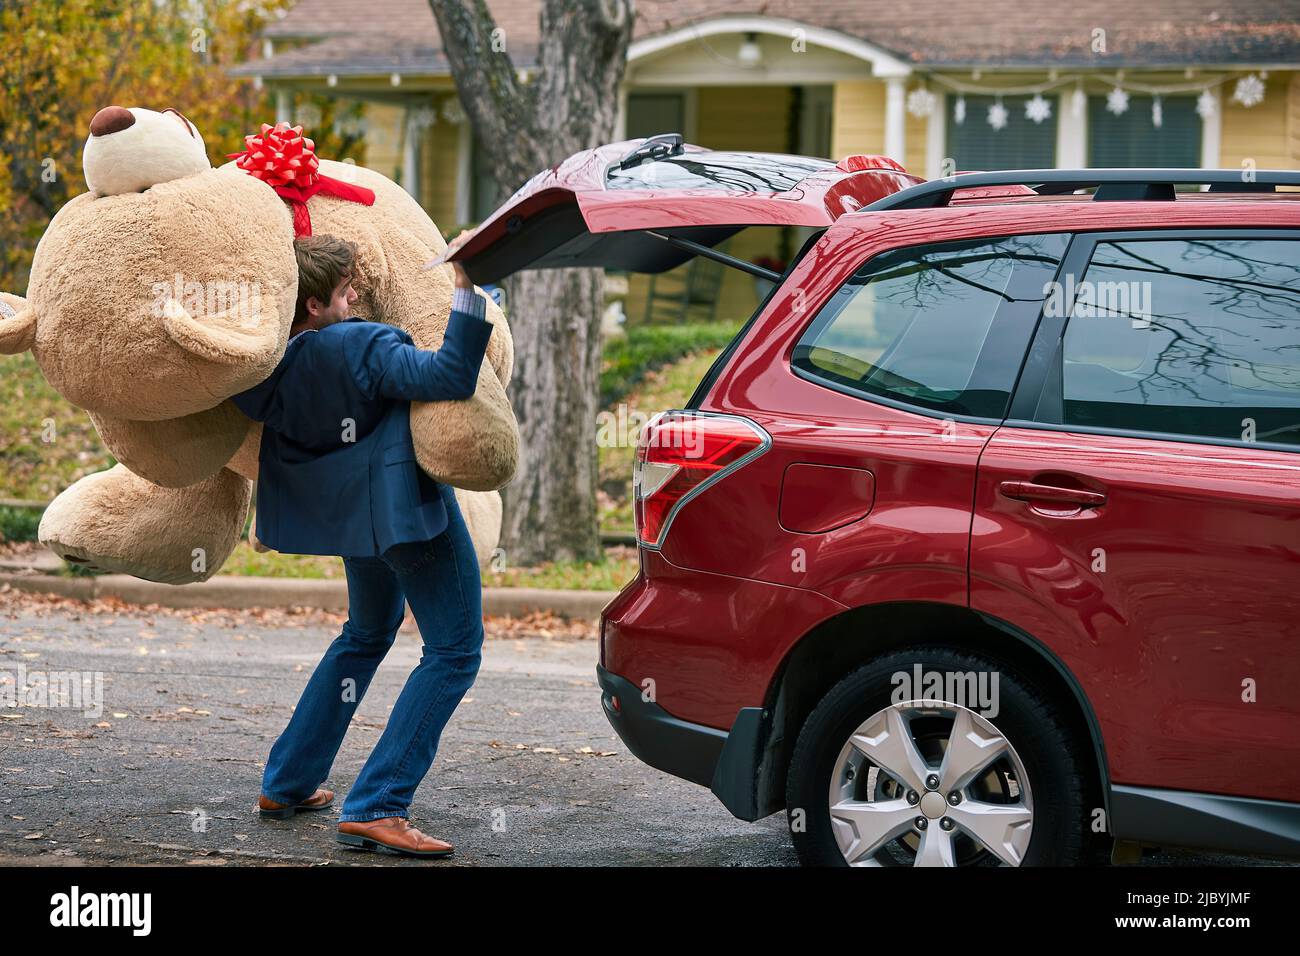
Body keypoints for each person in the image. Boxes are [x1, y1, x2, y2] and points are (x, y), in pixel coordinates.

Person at [231, 233, 495, 858]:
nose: (356, 299)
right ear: (316, 304)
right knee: (455, 650)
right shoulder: (366, 343)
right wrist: (470, 297)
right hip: (406, 517)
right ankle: (379, 803)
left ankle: (287, 782)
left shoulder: (267, 367)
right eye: (346, 291)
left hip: (355, 525)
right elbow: (451, 376)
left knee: (367, 634)